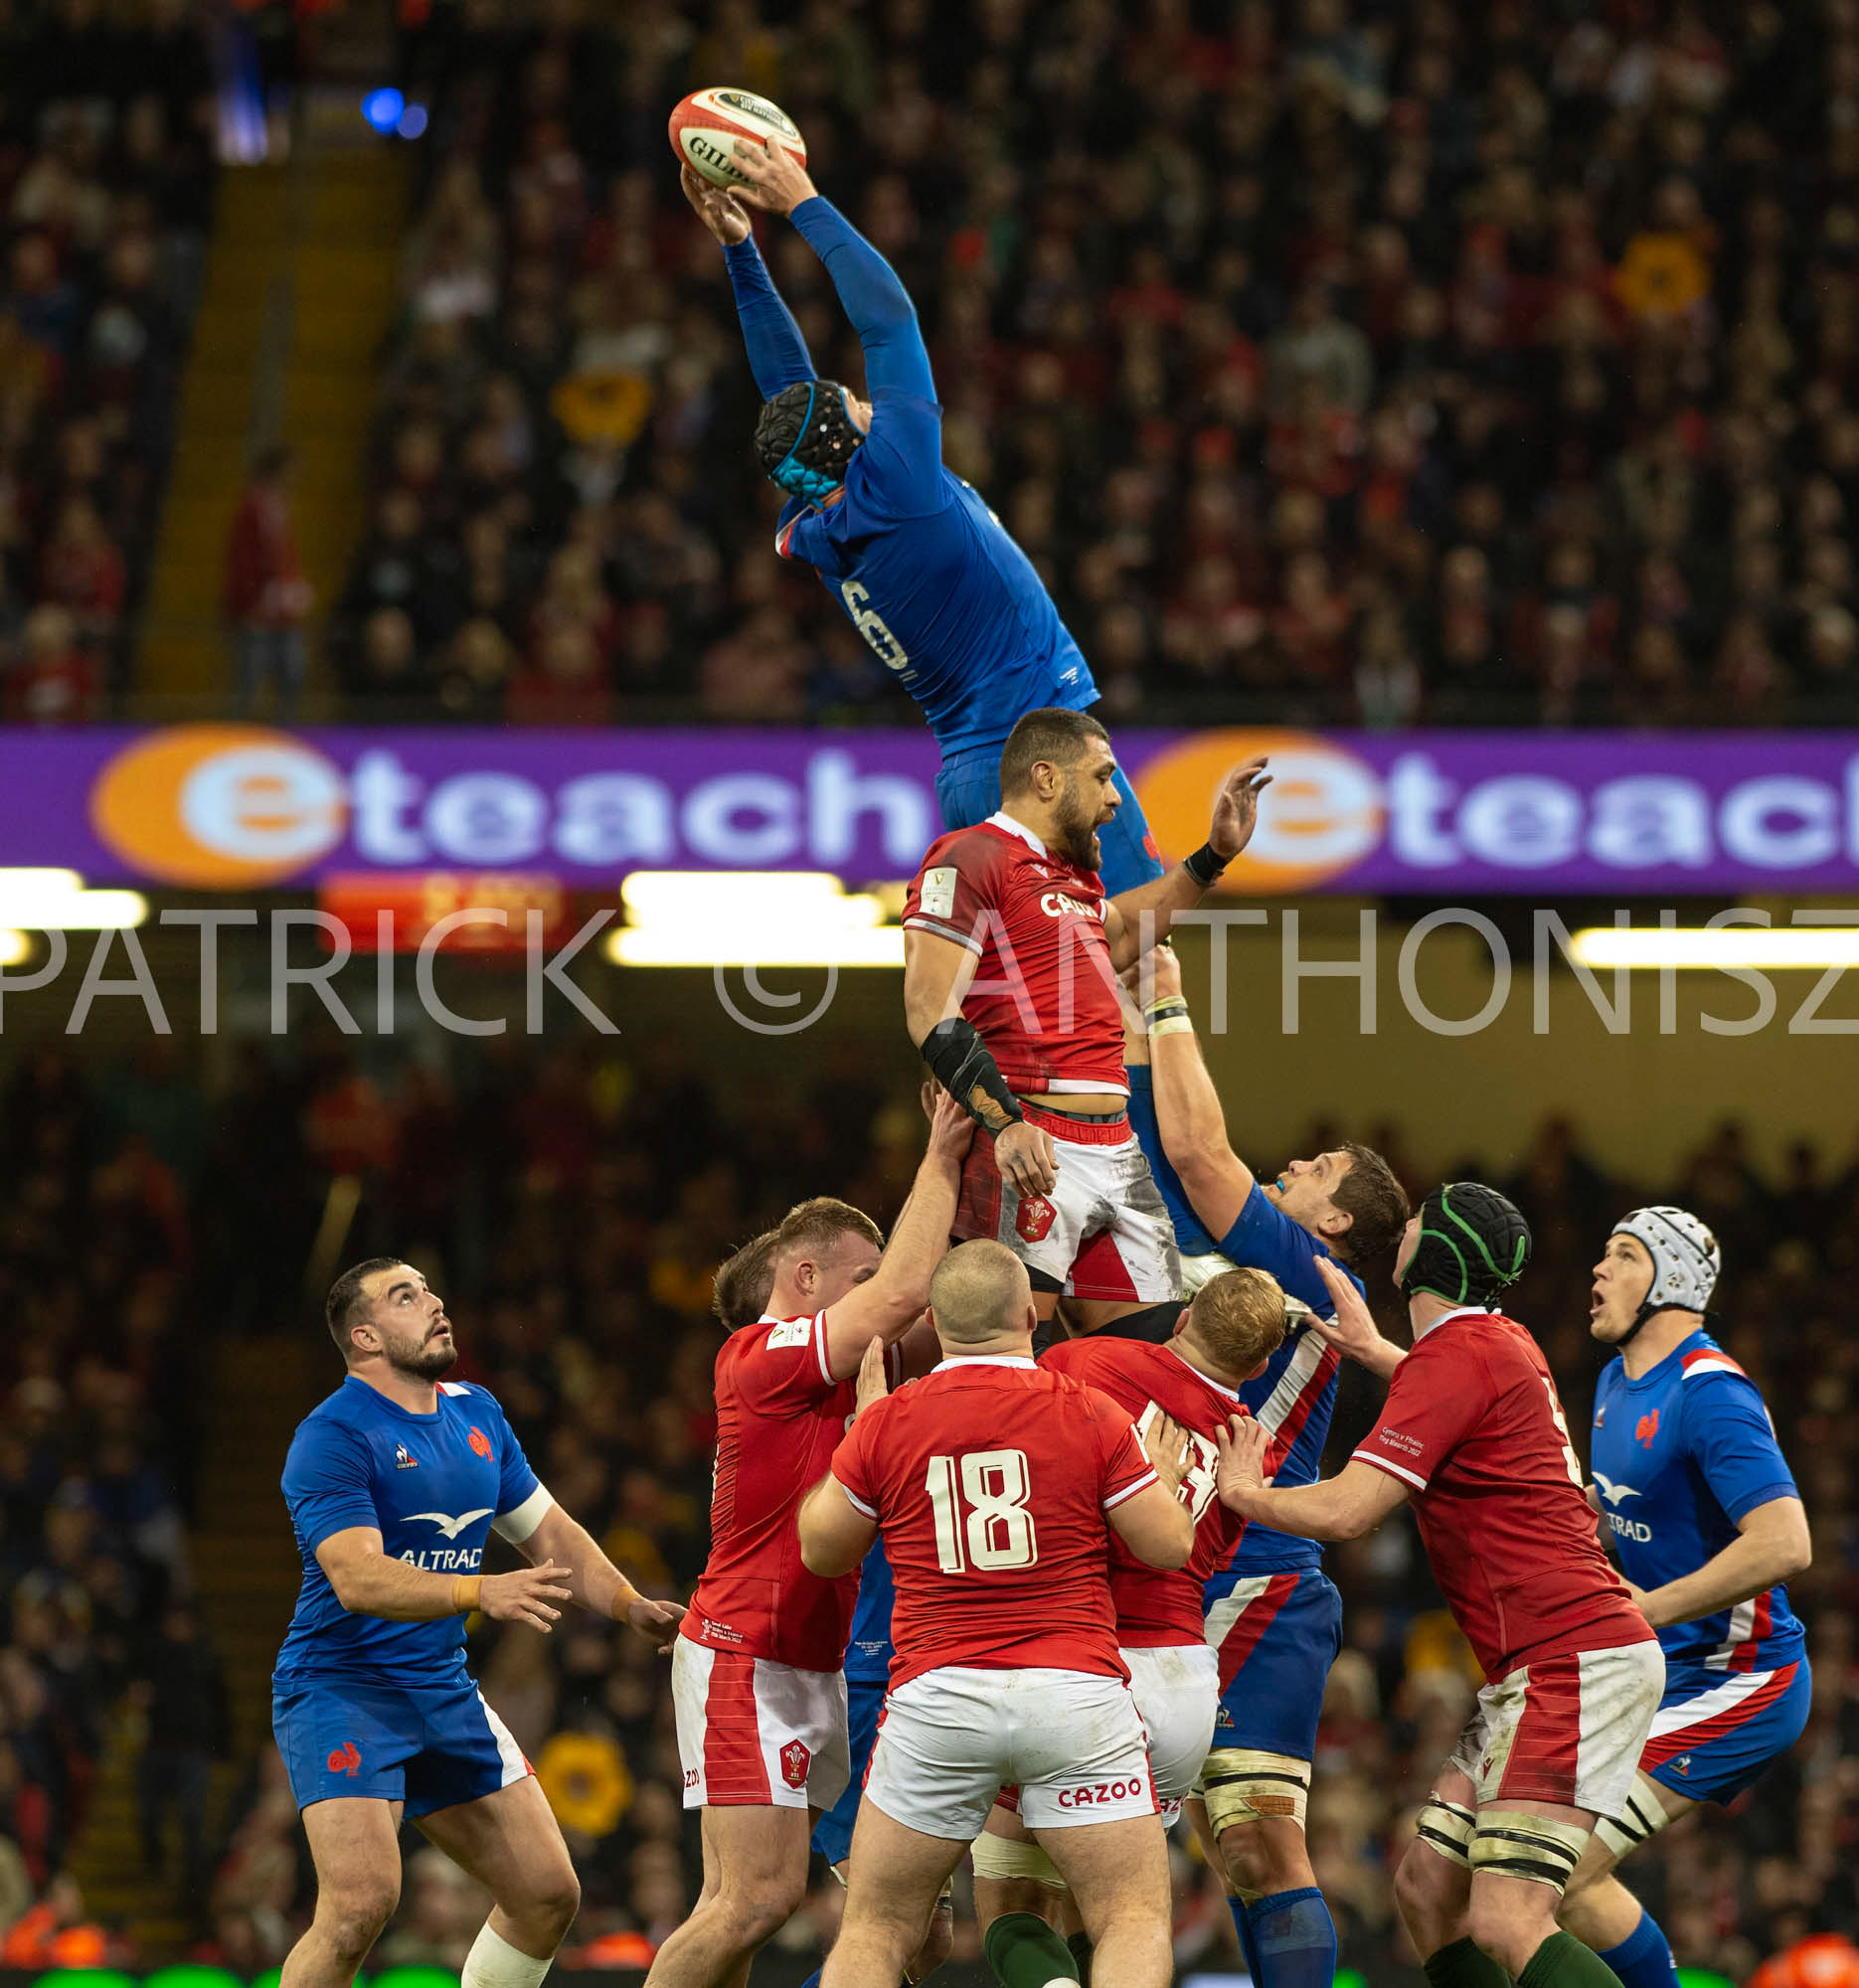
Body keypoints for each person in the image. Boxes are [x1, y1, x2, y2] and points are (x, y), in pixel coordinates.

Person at [685, 143, 1165, 895]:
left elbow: (790, 394)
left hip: (974, 781)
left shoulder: (825, 520)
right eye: (855, 404)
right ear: (852, 442)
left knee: (1037, 990)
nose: (867, 402)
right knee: (1141, 947)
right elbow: (891, 321)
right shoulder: (902, 485)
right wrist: (805, 202)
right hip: (1047, 757)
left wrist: (742, 250)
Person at [1220, 1186, 1665, 1988]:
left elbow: (1352, 1510)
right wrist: (1377, 1351)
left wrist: (1247, 1493)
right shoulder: (1493, 1344)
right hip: (1548, 1660)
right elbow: (1447, 1389)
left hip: (1570, 1661)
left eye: (1421, 1218)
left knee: (1508, 1918)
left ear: (1434, 1253)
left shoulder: (1458, 1357)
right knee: (1427, 1890)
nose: (1409, 1223)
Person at [272, 1258, 684, 1988]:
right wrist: (477, 1591)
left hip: (439, 1687)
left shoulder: (477, 1414)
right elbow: (357, 1576)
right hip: (343, 1689)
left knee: (547, 1894)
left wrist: (628, 1606)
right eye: (406, 1296)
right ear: (363, 1336)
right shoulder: (331, 1436)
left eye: (430, 1288)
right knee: (361, 1904)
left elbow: (549, 1532)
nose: (435, 1303)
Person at [795, 1240, 1196, 1988]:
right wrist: (1165, 1479)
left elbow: (821, 1550)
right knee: (1130, 1918)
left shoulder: (893, 1420)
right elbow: (1166, 1546)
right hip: (1074, 1695)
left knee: (877, 1929)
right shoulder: (1089, 1410)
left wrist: (859, 1433)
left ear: (938, 1325)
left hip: (937, 1701)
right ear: (1027, 1315)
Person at [1129, 941, 1410, 1988]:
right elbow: (1165, 1148)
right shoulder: (1238, 1262)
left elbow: (1200, 1151)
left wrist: (1165, 996)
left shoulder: (1308, 1264)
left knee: (1257, 1845)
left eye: (1314, 1172)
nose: (1288, 1166)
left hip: (1256, 1579)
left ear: (1335, 1220)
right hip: (1176, 1568)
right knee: (1191, 1847)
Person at [651, 1095, 971, 1988]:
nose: (883, 1296)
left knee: (749, 1911)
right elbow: (909, 1291)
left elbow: (946, 1309)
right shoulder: (763, 1353)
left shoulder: (838, 1369)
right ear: (803, 1279)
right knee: (750, 1902)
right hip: (747, 1650)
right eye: (859, 1277)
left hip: (812, 1658)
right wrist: (941, 1152)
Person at [903, 706, 1269, 1338]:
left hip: (1118, 1151)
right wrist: (1006, 1125)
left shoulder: (1072, 878)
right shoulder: (968, 858)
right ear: (1046, 779)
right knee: (1011, 1358)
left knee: (1150, 1355)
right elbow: (929, 1009)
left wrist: (1212, 859)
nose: (1114, 800)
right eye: (1103, 778)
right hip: (1031, 1145)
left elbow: (1124, 929)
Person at [971, 1266, 1289, 1988]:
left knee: (1010, 1900)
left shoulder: (1082, 1364)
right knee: (1118, 1913)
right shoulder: (1252, 1447)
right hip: (1182, 1686)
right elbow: (1207, 1555)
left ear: (1180, 1319)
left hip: (1084, 1661)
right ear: (1262, 1364)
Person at [1561, 1209, 1812, 1988]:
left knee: (1556, 1871)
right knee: (1519, 1862)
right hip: (1663, 1670)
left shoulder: (1712, 1393)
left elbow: (1786, 1544)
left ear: (1670, 1284)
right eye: (1602, 1251)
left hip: (1743, 1677)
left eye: (1624, 1255)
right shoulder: (1612, 1380)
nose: (1599, 1270)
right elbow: (1616, 1519)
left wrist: (1651, 1608)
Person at [225, 442, 313, 719]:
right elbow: (243, 560)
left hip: (281, 613)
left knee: (293, 670)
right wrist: (251, 601)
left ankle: (285, 731)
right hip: (256, 613)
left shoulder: (278, 509)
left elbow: (284, 557)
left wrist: (293, 588)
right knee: (249, 679)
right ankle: (238, 736)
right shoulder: (253, 510)